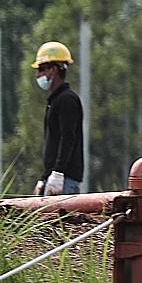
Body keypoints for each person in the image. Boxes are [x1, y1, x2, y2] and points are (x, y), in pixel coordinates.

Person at [32, 41, 83, 196]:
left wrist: (58, 173)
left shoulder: (67, 99)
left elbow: (68, 137)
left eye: (41, 69)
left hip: (64, 179)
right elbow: (53, 145)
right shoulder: (55, 101)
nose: (38, 75)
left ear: (53, 69)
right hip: (54, 177)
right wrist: (44, 177)